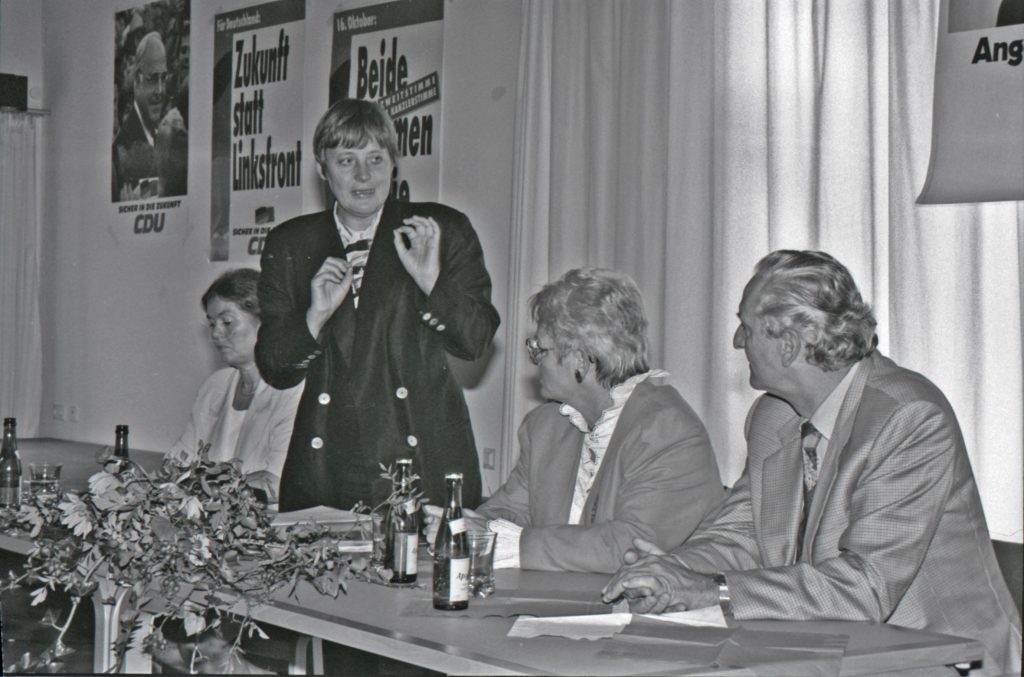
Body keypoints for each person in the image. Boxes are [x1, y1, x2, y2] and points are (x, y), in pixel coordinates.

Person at [602, 250, 1022, 676]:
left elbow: (866, 587)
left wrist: (713, 590)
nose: (737, 342)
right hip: (830, 649)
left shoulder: (907, 416)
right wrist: (672, 571)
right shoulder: (772, 416)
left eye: (747, 327)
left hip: (941, 659)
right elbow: (741, 535)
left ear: (788, 345)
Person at [255, 98, 499, 513]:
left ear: (394, 163)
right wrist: (314, 317)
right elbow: (275, 368)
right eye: (346, 160)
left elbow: (476, 341)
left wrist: (431, 282)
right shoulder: (291, 243)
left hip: (422, 459)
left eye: (375, 158)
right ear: (322, 169)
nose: (363, 175)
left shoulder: (438, 230)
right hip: (329, 463)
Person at [426, 268, 724, 573]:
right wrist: (468, 527)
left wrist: (514, 544)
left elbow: (630, 545)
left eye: (539, 349)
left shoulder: (668, 431)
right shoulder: (544, 426)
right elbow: (509, 510)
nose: (534, 361)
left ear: (580, 359)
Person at [169, 269, 303, 507]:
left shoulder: (294, 389)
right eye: (212, 324)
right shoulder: (216, 385)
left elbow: (276, 483)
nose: (215, 334)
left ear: (266, 322)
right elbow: (177, 463)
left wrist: (200, 485)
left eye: (227, 322)